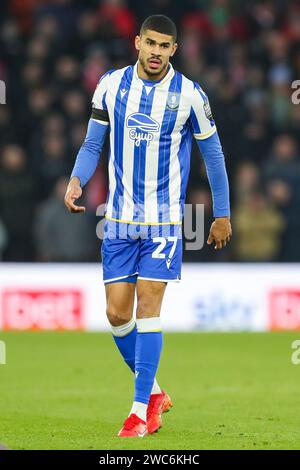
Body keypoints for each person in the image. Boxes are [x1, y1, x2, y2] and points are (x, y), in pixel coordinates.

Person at [64, 15, 232, 438]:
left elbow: (213, 156)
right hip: (117, 220)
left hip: (163, 223)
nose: (157, 51)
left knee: (148, 310)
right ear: (138, 42)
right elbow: (92, 143)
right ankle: (154, 393)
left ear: (175, 50)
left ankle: (139, 413)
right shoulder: (110, 85)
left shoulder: (190, 96)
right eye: (151, 43)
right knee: (118, 315)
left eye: (165, 46)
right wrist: (76, 179)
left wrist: (222, 213)